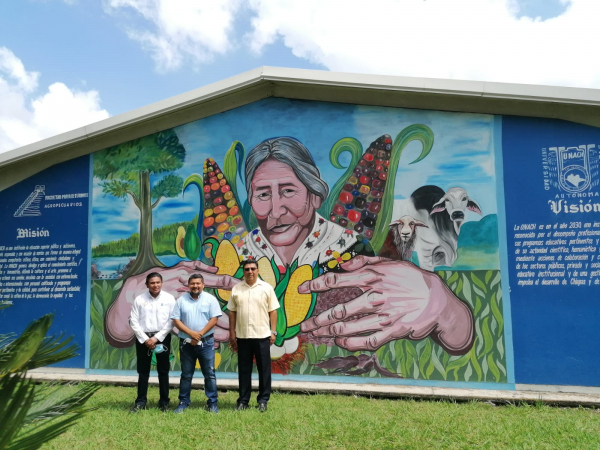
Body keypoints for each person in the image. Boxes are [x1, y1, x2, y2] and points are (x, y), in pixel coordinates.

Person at [228, 259, 279, 412]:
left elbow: (273, 311)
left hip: (262, 335)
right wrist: (232, 332)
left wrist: (273, 331)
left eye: (252, 269)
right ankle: (243, 401)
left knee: (264, 369)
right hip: (243, 337)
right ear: (243, 271)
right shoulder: (237, 289)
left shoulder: (266, 288)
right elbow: (232, 311)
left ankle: (263, 400)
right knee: (244, 370)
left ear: (257, 270)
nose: (250, 272)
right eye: (247, 269)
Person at [171, 273, 222, 414]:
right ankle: (183, 402)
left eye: (198, 283)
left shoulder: (210, 299)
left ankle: (212, 403)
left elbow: (214, 319)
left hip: (206, 342)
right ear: (188, 285)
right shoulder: (181, 300)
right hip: (186, 343)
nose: (195, 286)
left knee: (209, 374)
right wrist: (191, 334)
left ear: (203, 284)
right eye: (192, 283)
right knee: (186, 374)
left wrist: (199, 334)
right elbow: (176, 320)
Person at [128, 272, 176, 413]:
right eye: (152, 283)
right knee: (143, 371)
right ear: (147, 284)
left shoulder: (169, 299)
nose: (155, 285)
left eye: (158, 282)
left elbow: (172, 320)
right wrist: (145, 339)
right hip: (143, 338)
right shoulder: (139, 300)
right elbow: (134, 321)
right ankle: (141, 401)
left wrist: (156, 338)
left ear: (161, 283)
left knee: (163, 370)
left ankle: (164, 402)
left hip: (162, 337)